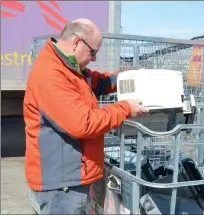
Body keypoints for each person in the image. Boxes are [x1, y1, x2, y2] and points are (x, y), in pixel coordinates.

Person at [23, 18, 149, 214]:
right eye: (93, 52)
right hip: (62, 184)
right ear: (76, 42)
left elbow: (99, 82)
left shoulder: (70, 68)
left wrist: (128, 76)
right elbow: (83, 124)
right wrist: (125, 109)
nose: (94, 58)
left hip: (70, 175)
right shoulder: (52, 75)